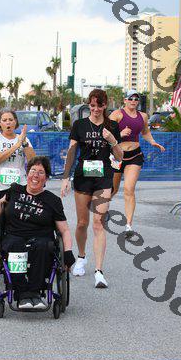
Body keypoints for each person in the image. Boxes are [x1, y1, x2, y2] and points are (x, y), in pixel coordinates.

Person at [0, 156, 75, 309]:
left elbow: (64, 230)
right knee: (15, 246)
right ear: (27, 174)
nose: (35, 175)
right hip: (14, 236)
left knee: (43, 247)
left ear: (46, 178)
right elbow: (0, 203)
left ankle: (34, 292)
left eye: (41, 172)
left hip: (41, 238)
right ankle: (22, 293)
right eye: (33, 171)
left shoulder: (52, 201)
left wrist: (68, 252)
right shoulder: (15, 190)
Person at [60, 89, 123, 288]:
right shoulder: (79, 125)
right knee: (82, 223)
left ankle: (99, 271)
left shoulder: (112, 126)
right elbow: (72, 151)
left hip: (103, 178)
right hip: (83, 177)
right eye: (92, 105)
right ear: (89, 105)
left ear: (105, 105)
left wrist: (112, 141)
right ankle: (81, 257)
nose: (95, 109)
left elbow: (120, 157)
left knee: (98, 223)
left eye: (99, 105)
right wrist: (65, 177)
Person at [109, 90, 165, 235]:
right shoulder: (117, 114)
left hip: (135, 155)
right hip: (116, 156)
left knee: (129, 189)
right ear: (125, 100)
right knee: (113, 189)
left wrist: (153, 142)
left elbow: (145, 132)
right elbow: (105, 133)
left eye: (136, 98)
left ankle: (128, 225)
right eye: (130, 98)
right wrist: (120, 134)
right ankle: (104, 207)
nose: (133, 101)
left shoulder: (143, 116)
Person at [0, 108, 35, 213]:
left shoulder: (23, 139)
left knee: (19, 220)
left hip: (20, 186)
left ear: (15, 122)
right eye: (4, 120)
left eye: (11, 119)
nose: (8, 122)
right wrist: (17, 145)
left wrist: (24, 143)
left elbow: (33, 161)